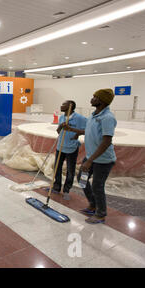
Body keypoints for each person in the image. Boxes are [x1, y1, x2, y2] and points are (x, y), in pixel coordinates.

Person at [62, 89, 117, 224]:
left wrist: (90, 161)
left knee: (97, 186)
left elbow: (106, 141)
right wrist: (74, 131)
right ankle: (93, 204)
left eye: (95, 97)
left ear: (102, 101)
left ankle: (100, 214)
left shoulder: (107, 118)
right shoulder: (94, 115)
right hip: (91, 157)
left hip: (103, 160)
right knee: (82, 179)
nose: (92, 99)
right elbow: (88, 131)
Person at [52, 100, 87, 200]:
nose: (61, 106)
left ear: (70, 107)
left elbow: (88, 129)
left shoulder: (80, 118)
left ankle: (67, 190)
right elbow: (59, 132)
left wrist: (77, 133)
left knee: (70, 170)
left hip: (71, 148)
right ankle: (56, 186)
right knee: (57, 168)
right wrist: (60, 126)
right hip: (60, 146)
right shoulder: (62, 117)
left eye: (64, 105)